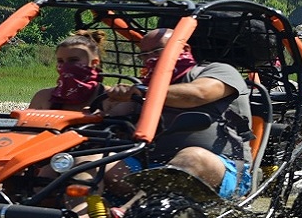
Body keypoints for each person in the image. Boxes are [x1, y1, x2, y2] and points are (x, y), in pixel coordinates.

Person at [101, 27, 253, 199]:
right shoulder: (143, 85)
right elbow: (111, 115)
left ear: (184, 49)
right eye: (144, 54)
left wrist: (143, 92)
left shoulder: (216, 71)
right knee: (90, 161)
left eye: (157, 51)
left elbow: (198, 94)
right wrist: (111, 97)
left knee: (191, 157)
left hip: (219, 167)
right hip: (147, 166)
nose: (150, 58)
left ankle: (133, 208)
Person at [28, 30, 106, 111]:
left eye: (73, 60)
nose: (65, 66)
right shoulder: (43, 98)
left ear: (94, 63)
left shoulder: (110, 97)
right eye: (60, 61)